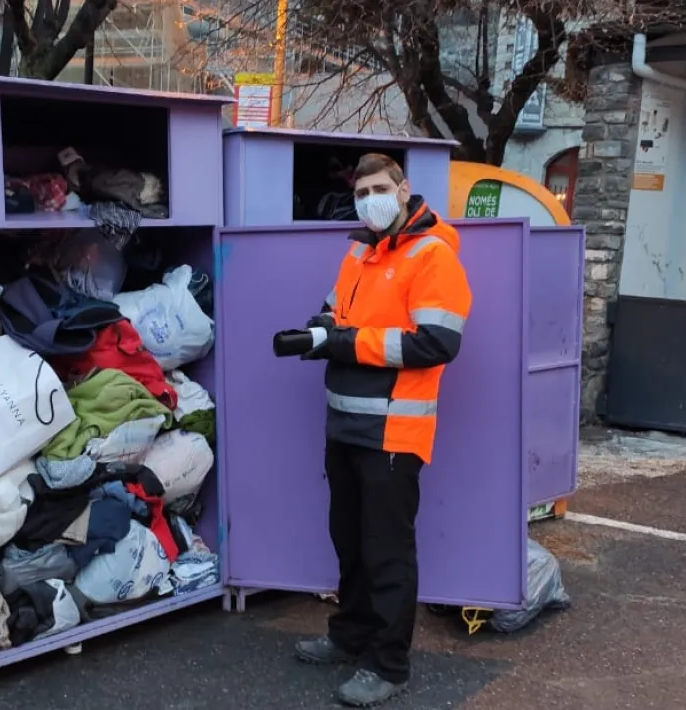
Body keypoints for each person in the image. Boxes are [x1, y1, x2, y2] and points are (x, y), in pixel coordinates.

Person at [295, 153, 472, 707]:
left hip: (394, 433)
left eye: (379, 187)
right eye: (360, 190)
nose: (369, 198)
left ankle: (389, 665)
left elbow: (435, 344)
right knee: (348, 541)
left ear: (403, 190)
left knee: (387, 551)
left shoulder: (433, 255)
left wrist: (344, 343)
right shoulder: (359, 249)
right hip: (345, 425)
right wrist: (313, 333)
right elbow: (333, 310)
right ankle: (351, 636)